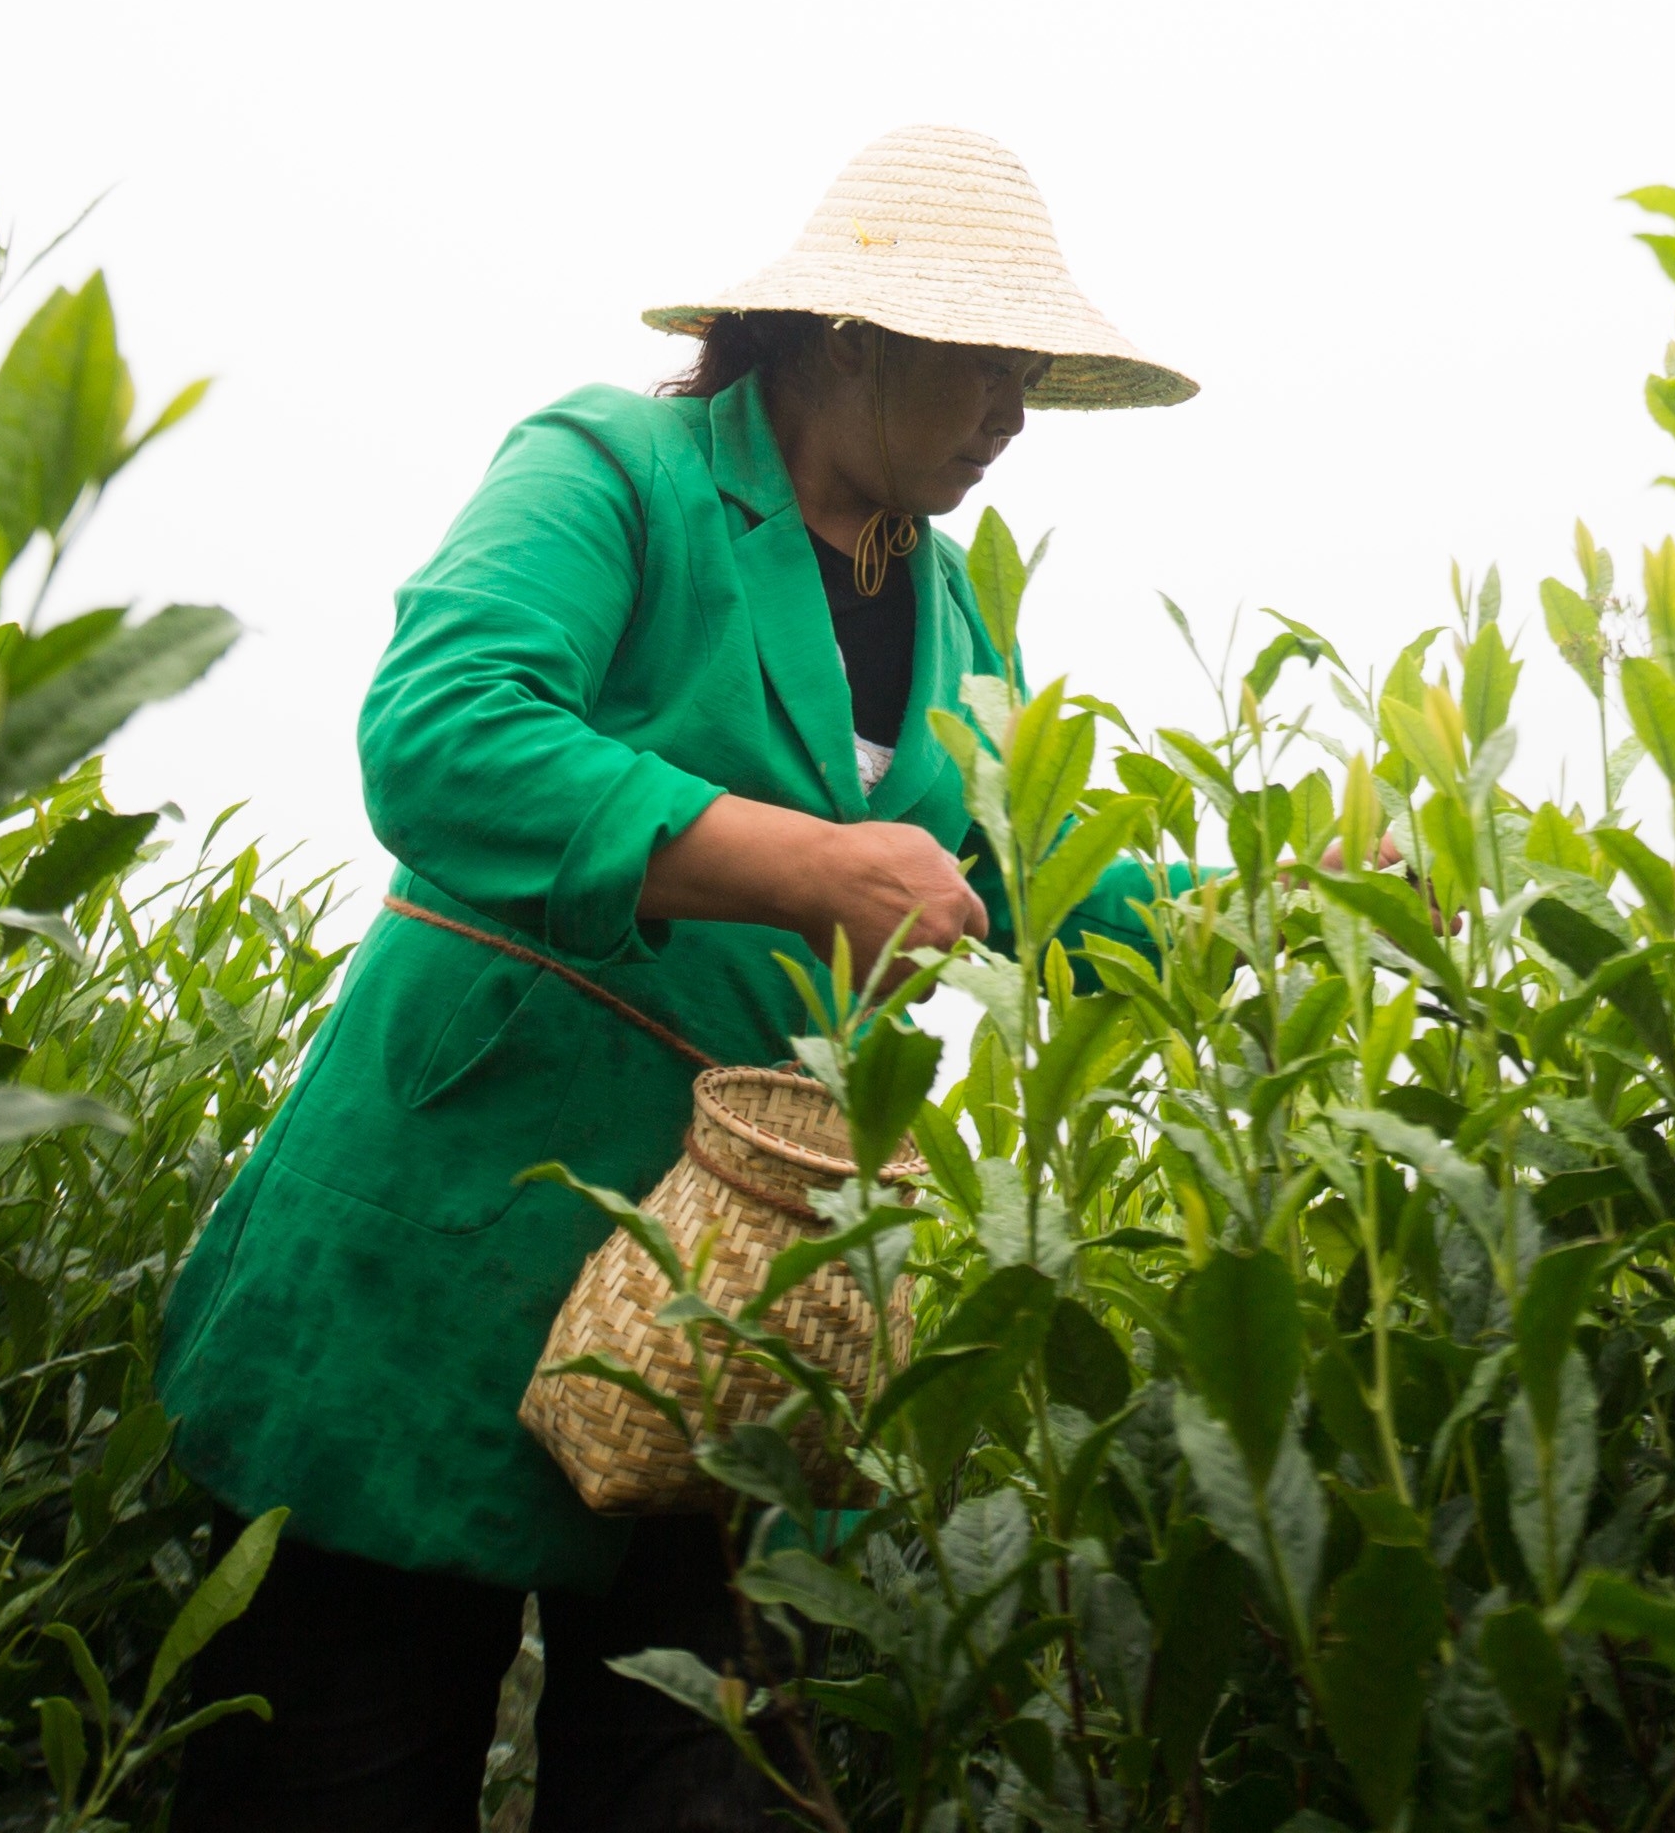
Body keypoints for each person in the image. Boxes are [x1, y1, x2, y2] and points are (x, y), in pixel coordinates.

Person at [154, 126, 1195, 1832]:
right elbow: (447, 734)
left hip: (737, 1307)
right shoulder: (613, 468)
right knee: (344, 1755)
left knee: (694, 1788)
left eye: (1028, 369)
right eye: (987, 359)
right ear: (851, 335)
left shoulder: (958, 617)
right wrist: (814, 863)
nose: (1015, 407)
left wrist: (1275, 917)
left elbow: (1025, 884)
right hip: (459, 1236)